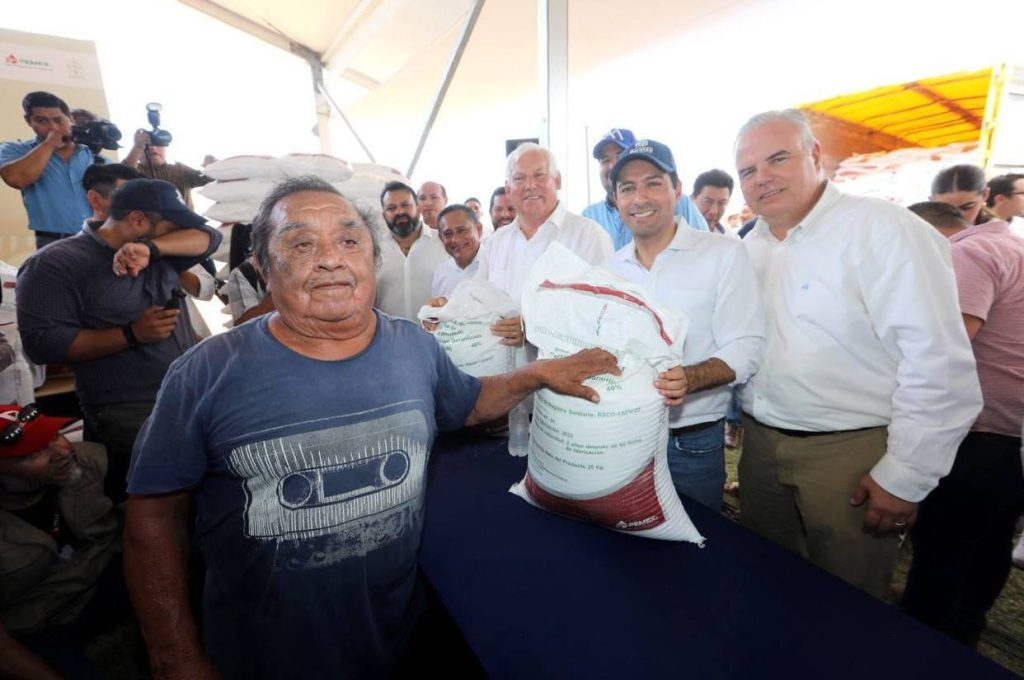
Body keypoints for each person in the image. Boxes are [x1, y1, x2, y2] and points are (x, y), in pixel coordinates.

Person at [122, 176, 618, 678]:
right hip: (262, 656)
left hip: (395, 641)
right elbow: (154, 514)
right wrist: (175, 658)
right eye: (301, 244)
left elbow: (466, 403)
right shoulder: (206, 372)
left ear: (373, 261)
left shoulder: (414, 347)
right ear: (264, 267)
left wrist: (535, 374)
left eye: (349, 240)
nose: (331, 259)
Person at [734, 109, 982, 599]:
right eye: (748, 170)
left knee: (849, 599)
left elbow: (936, 360)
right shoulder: (748, 246)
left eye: (778, 159)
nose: (762, 178)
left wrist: (905, 475)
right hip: (761, 447)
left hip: (849, 454)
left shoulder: (883, 230)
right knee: (767, 584)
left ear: (815, 155)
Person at [16, 179, 221, 502]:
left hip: (191, 394)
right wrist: (130, 334)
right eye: (171, 227)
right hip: (127, 408)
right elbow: (44, 345)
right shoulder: (54, 265)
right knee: (157, 500)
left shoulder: (161, 252)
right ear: (137, 220)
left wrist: (152, 248)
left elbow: (210, 238)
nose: (176, 235)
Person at [604, 140, 765, 509]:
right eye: (627, 188)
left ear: (676, 190)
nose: (639, 198)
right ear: (616, 199)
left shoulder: (723, 253)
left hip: (691, 442)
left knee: (695, 537)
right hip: (621, 439)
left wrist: (691, 378)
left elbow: (747, 343)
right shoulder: (608, 271)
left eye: (653, 183)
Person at [900, 201, 1024, 646]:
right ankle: (964, 631)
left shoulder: (963, 255)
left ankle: (920, 643)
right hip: (1010, 435)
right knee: (989, 544)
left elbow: (942, 348)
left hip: (976, 435)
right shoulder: (1008, 244)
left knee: (942, 551)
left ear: (922, 234)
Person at [0, 404, 122, 680]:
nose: (63, 452)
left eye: (54, 435)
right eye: (34, 454)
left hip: (109, 577)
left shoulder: (92, 460)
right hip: (42, 622)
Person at [476, 143, 613, 353]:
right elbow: (478, 301)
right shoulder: (495, 243)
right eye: (519, 178)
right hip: (503, 371)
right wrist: (444, 311)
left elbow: (605, 313)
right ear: (508, 189)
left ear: (558, 180)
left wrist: (534, 329)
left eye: (539, 175)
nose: (530, 185)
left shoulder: (589, 236)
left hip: (566, 369)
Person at [81, 164, 217, 338]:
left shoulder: (163, 240)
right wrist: (132, 334)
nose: (134, 205)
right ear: (95, 200)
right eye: (122, 196)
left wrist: (161, 254)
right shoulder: (72, 259)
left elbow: (207, 288)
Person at [582, 127, 708, 249]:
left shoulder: (678, 202)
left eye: (620, 156)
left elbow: (704, 248)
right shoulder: (589, 216)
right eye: (605, 160)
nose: (612, 165)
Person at [0, 92, 93, 249]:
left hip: (96, 237)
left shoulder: (89, 153)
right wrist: (49, 144)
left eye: (59, 120)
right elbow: (16, 179)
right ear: (28, 121)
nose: (52, 127)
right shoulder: (15, 150)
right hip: (52, 241)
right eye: (42, 121)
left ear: (70, 119)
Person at [377, 181, 448, 319]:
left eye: (405, 205)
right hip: (389, 332)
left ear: (418, 207)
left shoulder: (442, 243)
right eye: (391, 208)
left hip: (437, 331)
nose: (399, 212)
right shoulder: (374, 249)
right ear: (384, 215)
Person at [123, 129, 211, 210]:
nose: (153, 148)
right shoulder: (136, 171)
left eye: (158, 144)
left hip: (184, 220)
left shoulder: (180, 169)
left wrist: (211, 167)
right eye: (148, 145)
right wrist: (138, 146)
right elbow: (122, 174)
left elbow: (208, 180)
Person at [432, 204, 483, 298]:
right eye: (448, 234)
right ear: (441, 238)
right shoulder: (442, 272)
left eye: (461, 230)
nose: (455, 239)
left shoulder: (495, 266)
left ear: (478, 229)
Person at [930, 164, 995, 226]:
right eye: (945, 209)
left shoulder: (996, 231)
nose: (957, 217)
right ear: (931, 201)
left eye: (967, 207)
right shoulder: (925, 229)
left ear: (985, 195)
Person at [692, 169, 737, 236]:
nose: (714, 211)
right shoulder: (676, 234)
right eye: (707, 202)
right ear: (693, 198)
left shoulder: (731, 239)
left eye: (721, 203)